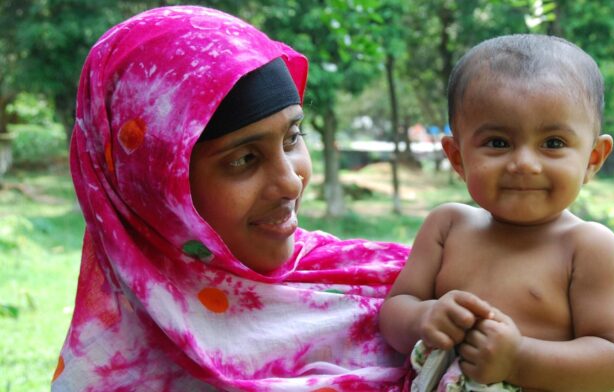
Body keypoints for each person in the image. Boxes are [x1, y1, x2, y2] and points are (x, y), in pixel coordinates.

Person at [53, 6, 411, 391]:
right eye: (243, 160)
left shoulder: (396, 288)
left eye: (293, 138)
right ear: (156, 190)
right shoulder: (111, 374)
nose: (290, 182)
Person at [379, 35, 614, 391]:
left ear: (593, 159)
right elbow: (394, 310)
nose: (524, 164)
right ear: (457, 157)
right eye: (498, 142)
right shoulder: (447, 227)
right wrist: (423, 318)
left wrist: (516, 358)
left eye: (553, 143)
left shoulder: (587, 246)